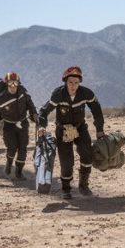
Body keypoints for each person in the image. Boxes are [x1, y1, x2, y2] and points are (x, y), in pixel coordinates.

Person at [37, 66, 105, 200]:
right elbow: (44, 111)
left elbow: (97, 110)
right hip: (63, 131)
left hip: (80, 129)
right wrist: (41, 126)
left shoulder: (86, 94)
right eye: (70, 82)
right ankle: (66, 189)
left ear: (80, 83)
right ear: (65, 82)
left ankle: (83, 185)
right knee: (66, 161)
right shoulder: (58, 94)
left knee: (87, 154)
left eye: (76, 83)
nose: (73, 86)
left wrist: (100, 130)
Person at [0, 72, 37, 181]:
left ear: (18, 83)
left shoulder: (22, 91)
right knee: (12, 148)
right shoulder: (1, 99)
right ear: (7, 84)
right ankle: (9, 163)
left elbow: (29, 102)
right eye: (10, 83)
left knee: (23, 148)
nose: (13, 86)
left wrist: (34, 114)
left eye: (15, 83)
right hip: (8, 125)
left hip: (23, 123)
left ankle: (19, 171)